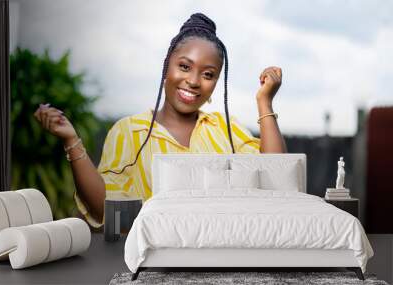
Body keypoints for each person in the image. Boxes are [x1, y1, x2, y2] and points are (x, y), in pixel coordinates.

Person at [34, 13, 286, 228]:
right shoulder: (130, 131)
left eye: (208, 74)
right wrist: (71, 139)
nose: (194, 81)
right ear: (167, 67)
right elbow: (104, 210)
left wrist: (265, 101)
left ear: (216, 84)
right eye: (185, 67)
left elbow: (278, 175)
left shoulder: (224, 128)